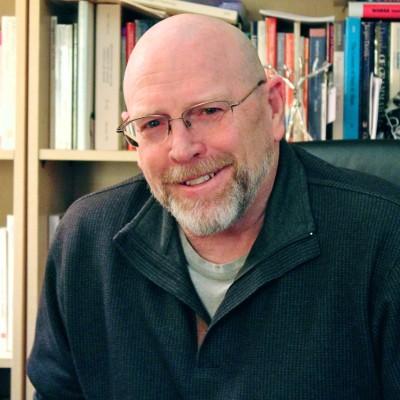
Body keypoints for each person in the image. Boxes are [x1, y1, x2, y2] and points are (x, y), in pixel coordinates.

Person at [27, 14, 400, 400]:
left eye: (209, 111)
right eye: (153, 123)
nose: (182, 149)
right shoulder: (86, 238)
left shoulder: (384, 236)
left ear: (273, 108)